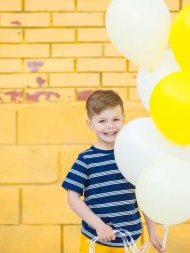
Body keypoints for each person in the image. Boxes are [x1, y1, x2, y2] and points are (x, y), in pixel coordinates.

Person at [62, 90, 165, 253]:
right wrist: (99, 225)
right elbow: (72, 197)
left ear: (123, 119)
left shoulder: (133, 157)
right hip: (96, 239)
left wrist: (152, 232)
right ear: (90, 124)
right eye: (102, 121)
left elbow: (144, 195)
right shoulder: (86, 159)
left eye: (115, 119)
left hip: (129, 240)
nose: (110, 126)